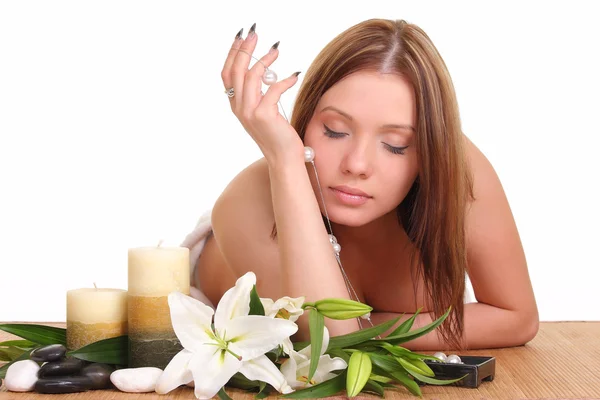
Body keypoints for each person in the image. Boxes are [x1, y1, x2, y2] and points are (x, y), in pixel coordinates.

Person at [183, 19, 539, 351]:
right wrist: (284, 162)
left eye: (396, 144)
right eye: (335, 130)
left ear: (430, 148)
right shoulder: (246, 203)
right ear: (305, 120)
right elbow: (329, 342)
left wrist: (368, 327)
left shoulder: (457, 172)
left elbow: (517, 318)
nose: (356, 164)